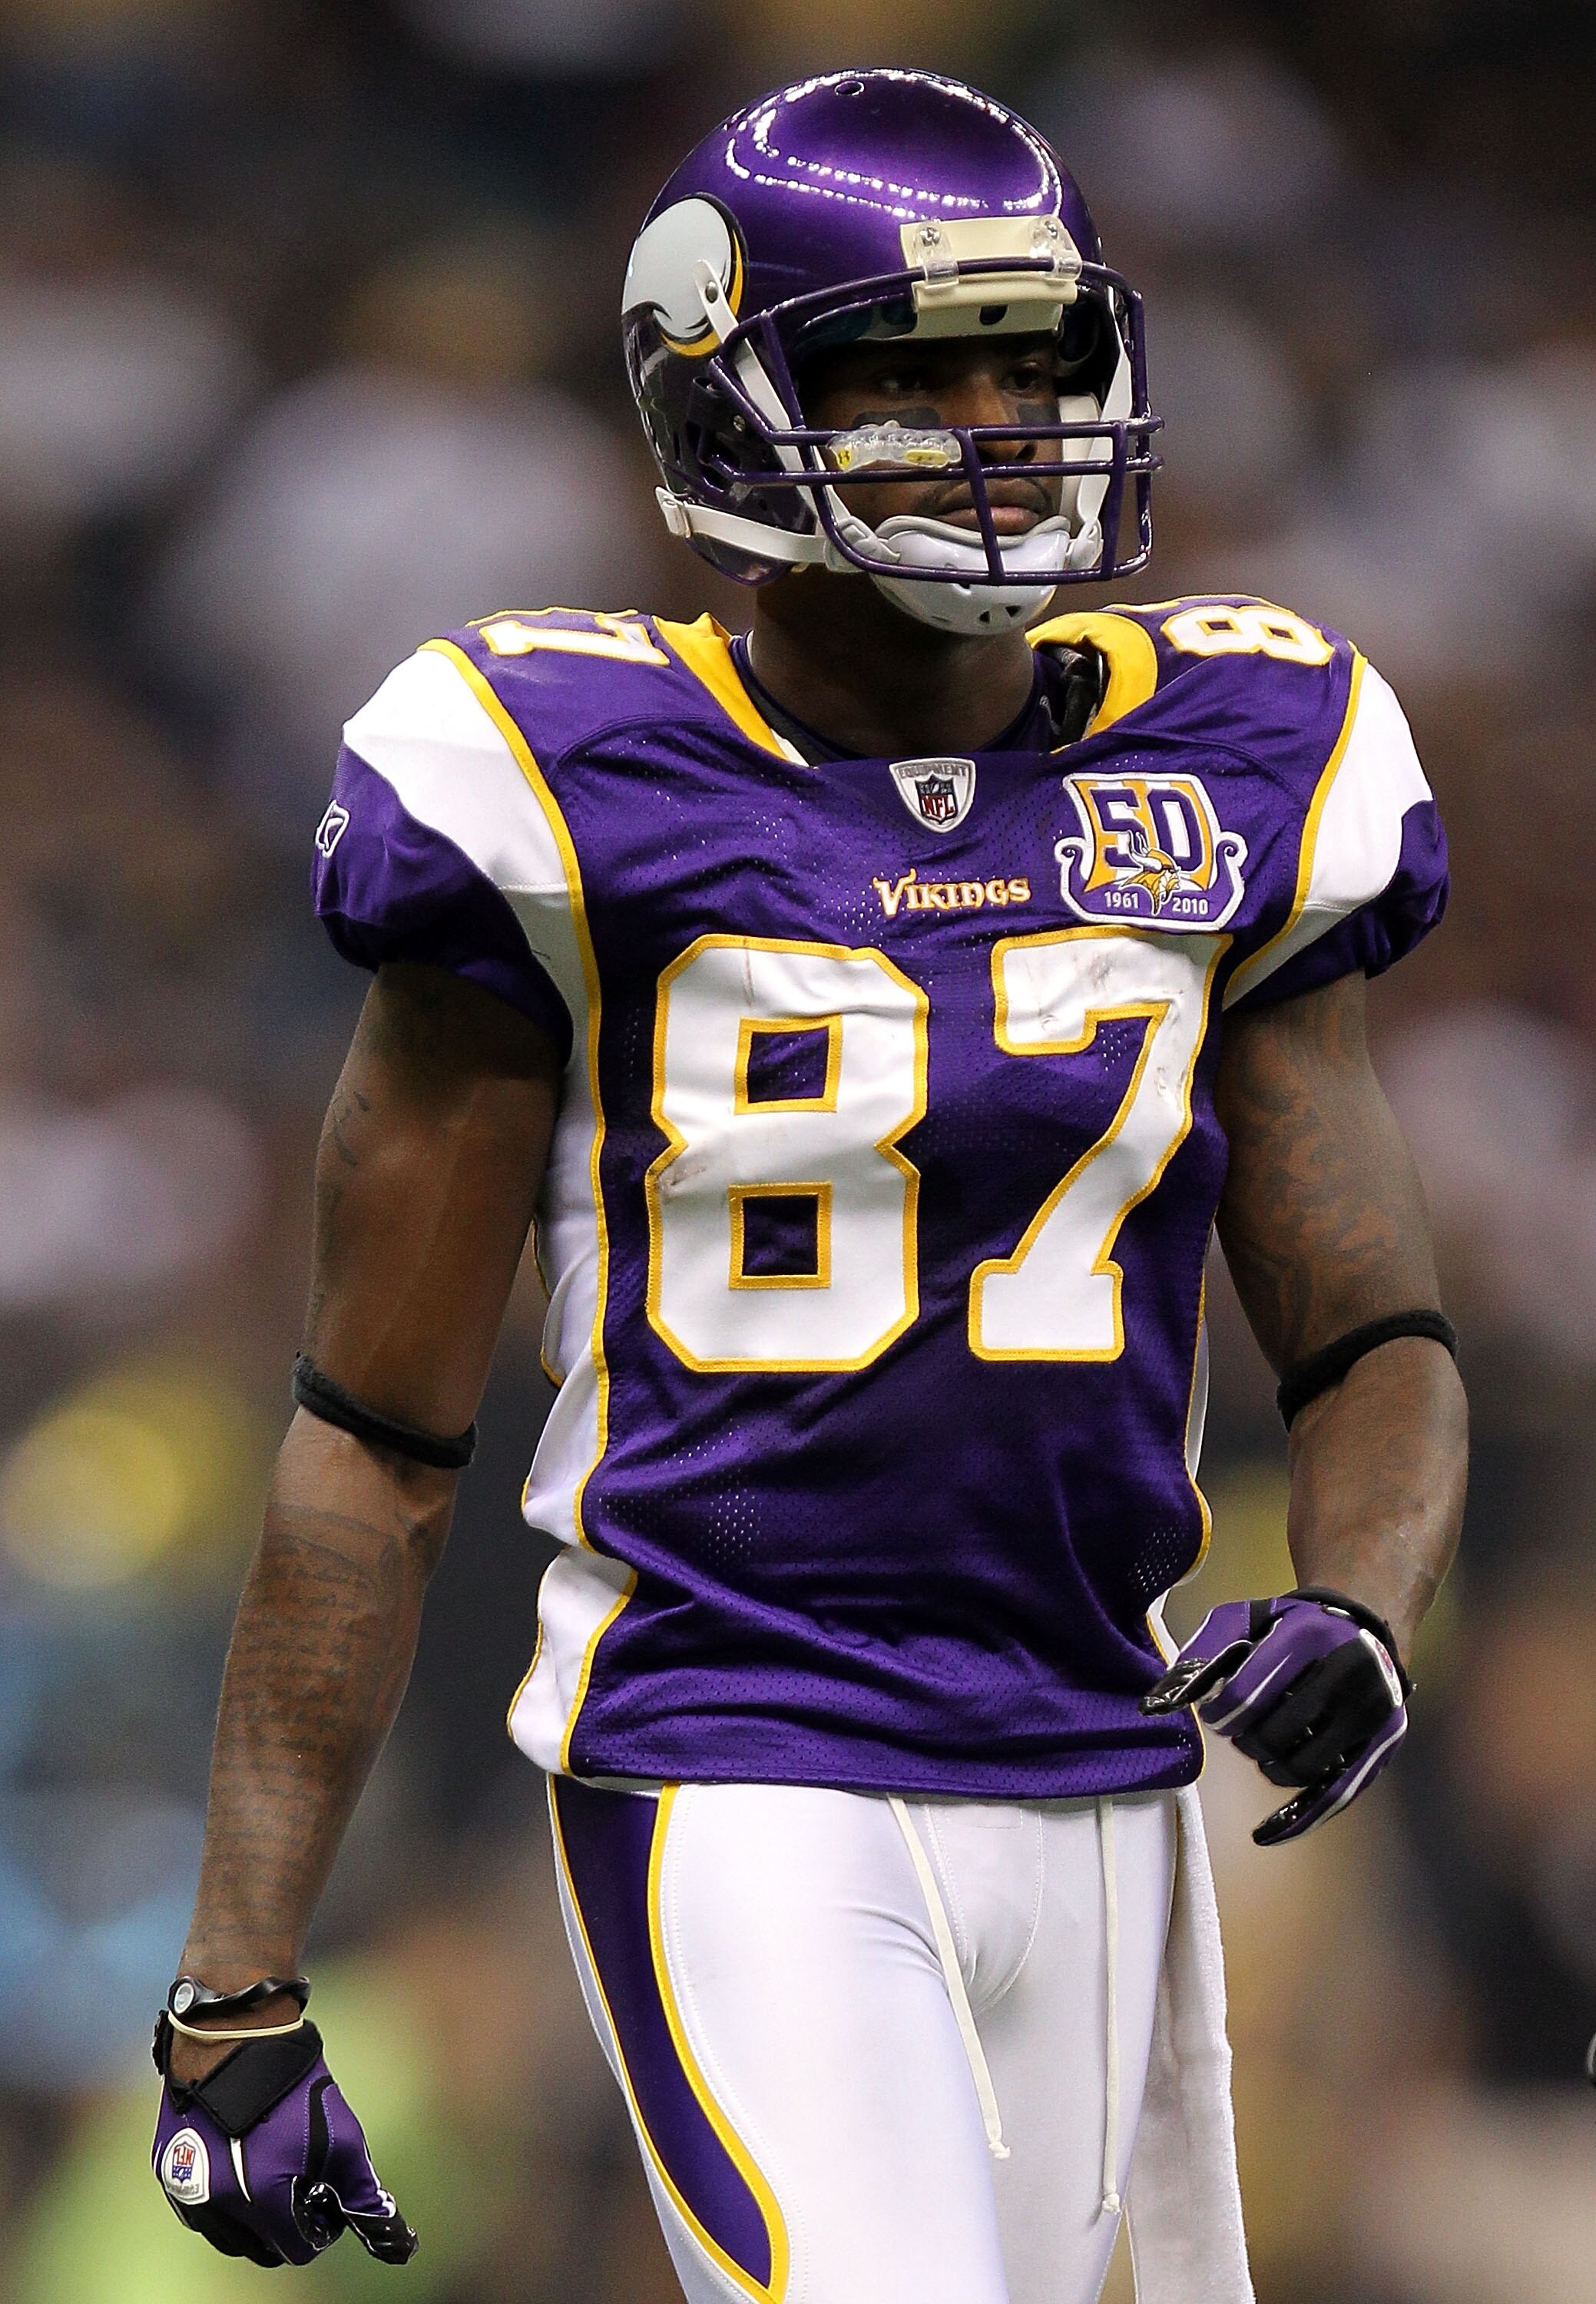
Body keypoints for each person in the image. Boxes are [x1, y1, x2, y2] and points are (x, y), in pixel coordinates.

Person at [151, 68, 1468, 2304]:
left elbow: (1375, 1337)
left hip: (1106, 1753)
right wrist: (236, 1979)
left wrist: (1360, 1604)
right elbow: (371, 1439)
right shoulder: (552, 776)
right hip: (732, 1741)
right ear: (724, 410)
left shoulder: (1247, 753)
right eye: (908, 372)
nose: (999, 424)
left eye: (1031, 362)